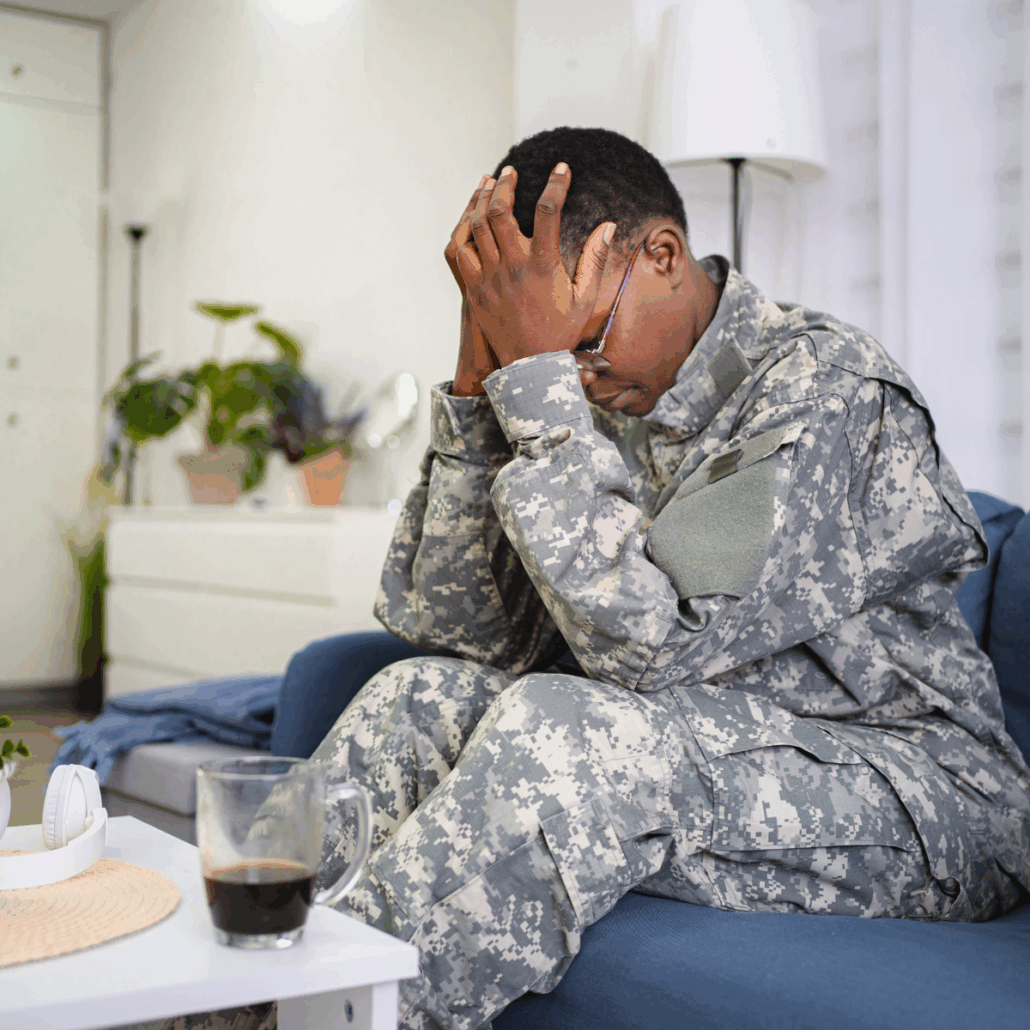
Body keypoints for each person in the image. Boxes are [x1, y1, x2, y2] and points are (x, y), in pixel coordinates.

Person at [166, 127, 1030, 1030]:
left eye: (582, 342)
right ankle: (214, 1014)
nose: (576, 380)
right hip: (718, 743)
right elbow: (457, 632)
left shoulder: (825, 388)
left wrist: (540, 391)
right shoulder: (599, 391)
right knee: (409, 698)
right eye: (548, 352)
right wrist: (480, 385)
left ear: (663, 255)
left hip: (920, 790)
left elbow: (650, 652)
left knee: (568, 732)